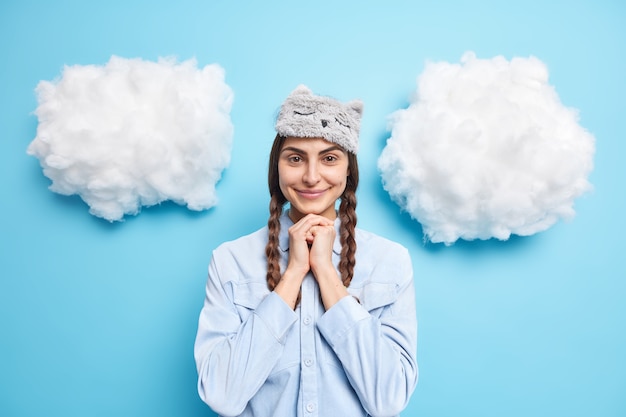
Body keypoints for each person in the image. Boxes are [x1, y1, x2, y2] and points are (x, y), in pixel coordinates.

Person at [194, 85, 418, 417]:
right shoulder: (230, 260)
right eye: (296, 158)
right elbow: (222, 396)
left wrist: (326, 273)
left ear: (347, 170)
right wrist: (294, 273)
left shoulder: (390, 261)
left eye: (329, 158)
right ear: (277, 168)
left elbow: (388, 400)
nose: (312, 177)